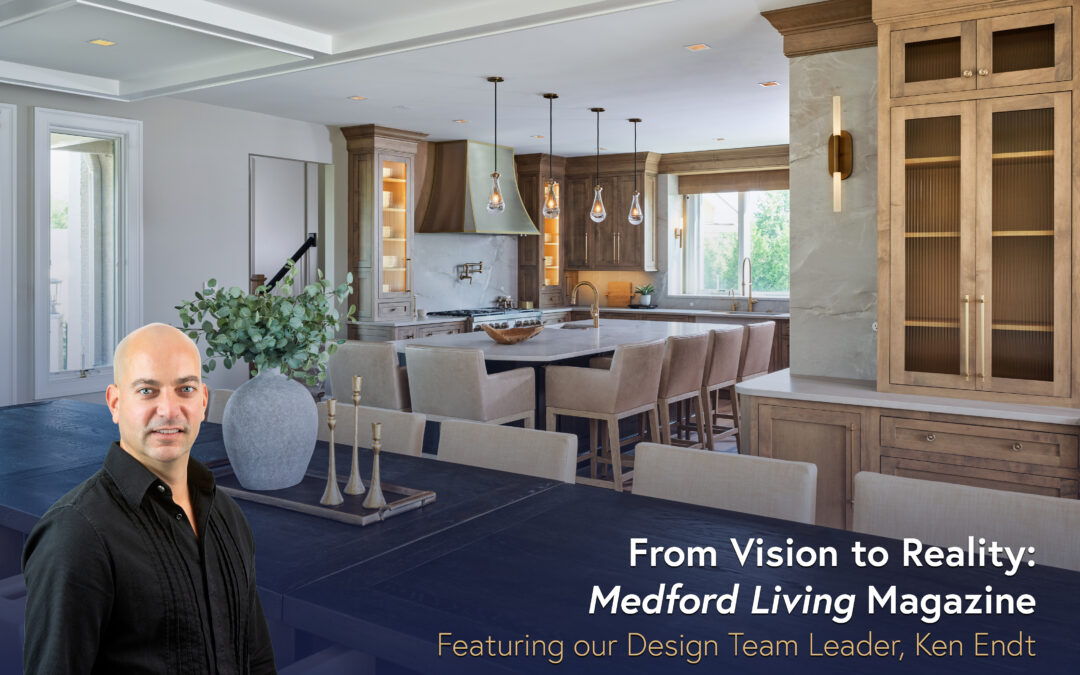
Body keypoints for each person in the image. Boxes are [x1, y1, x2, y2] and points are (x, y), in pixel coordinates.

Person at [22, 323, 277, 674]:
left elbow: (258, 658)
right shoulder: (76, 535)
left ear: (203, 401)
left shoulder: (227, 516)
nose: (169, 409)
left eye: (184, 389)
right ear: (115, 402)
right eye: (147, 391)